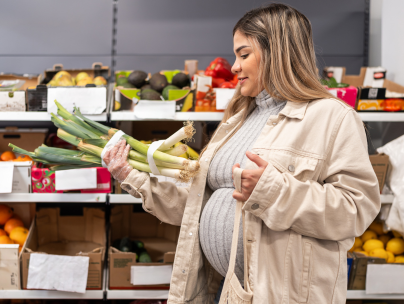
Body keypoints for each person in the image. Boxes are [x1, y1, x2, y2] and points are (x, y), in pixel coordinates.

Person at [103, 3, 380, 304]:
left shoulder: (332, 117)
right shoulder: (238, 119)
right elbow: (198, 204)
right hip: (224, 289)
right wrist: (131, 177)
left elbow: (356, 210)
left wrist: (273, 191)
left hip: (280, 296)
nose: (234, 67)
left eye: (243, 54)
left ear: (277, 53)